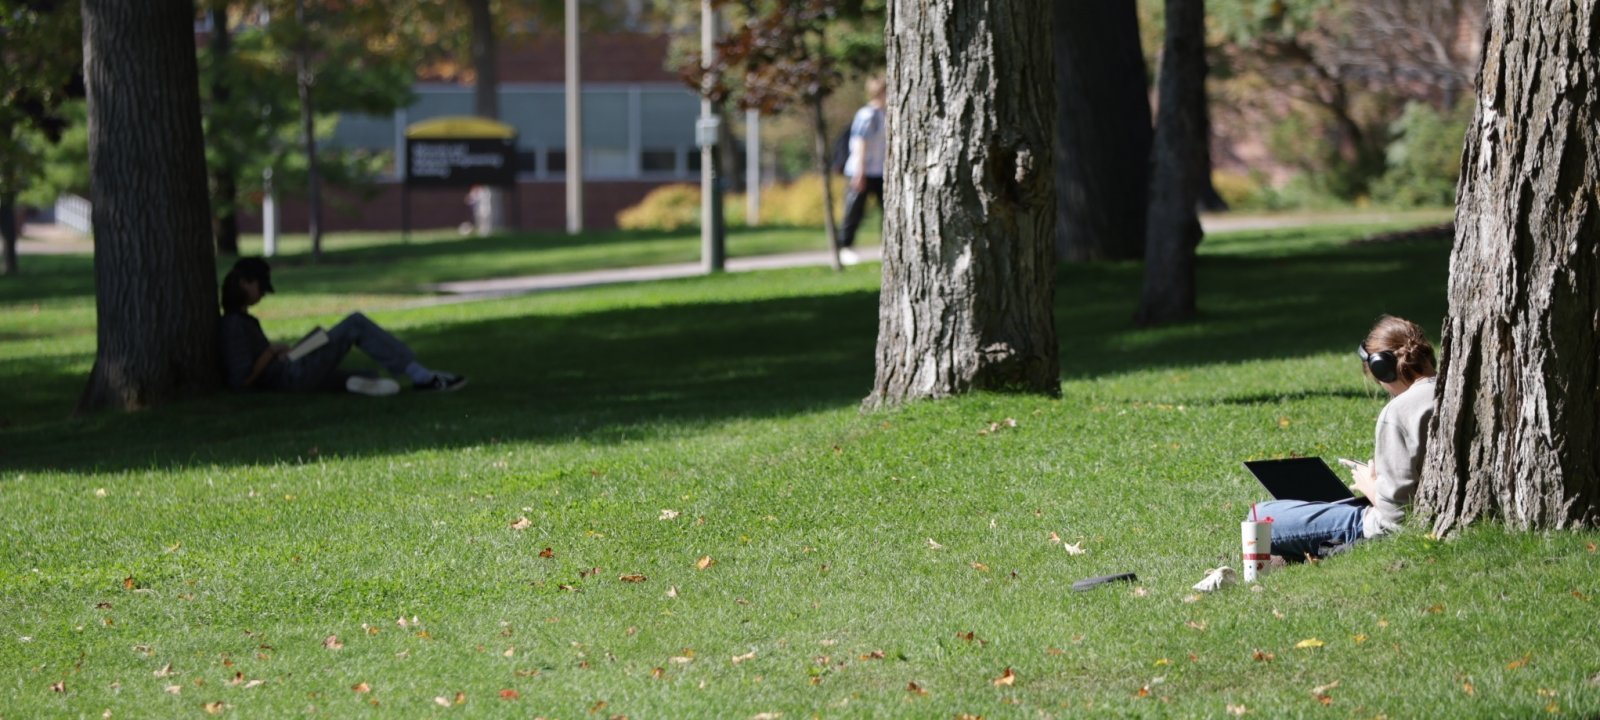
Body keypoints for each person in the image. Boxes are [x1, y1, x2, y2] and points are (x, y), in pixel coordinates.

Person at [1252, 315, 1438, 560]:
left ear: (1381, 368)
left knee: (1262, 515)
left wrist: (1371, 487)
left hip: (1380, 527)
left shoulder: (1397, 412)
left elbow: (1399, 518)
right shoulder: (1455, 391)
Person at [218, 257, 467, 395]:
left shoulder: (244, 320)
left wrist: (281, 353)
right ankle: (422, 377)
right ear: (243, 283)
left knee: (364, 375)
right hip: (287, 378)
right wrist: (272, 353)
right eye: (260, 287)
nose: (262, 295)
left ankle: (363, 383)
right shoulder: (233, 326)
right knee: (354, 323)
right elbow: (243, 380)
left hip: (287, 372)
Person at [838, 76, 887, 266]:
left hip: (880, 170)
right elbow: (860, 142)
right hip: (862, 170)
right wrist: (860, 172)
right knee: (854, 210)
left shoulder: (884, 113)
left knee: (886, 210)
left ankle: (886, 244)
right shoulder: (868, 115)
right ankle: (846, 246)